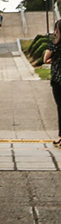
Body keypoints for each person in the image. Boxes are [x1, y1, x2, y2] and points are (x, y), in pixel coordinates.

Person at [43, 20, 61, 148]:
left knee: (60, 108)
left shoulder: (55, 45)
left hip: (58, 81)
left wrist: (52, 60)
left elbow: (45, 58)